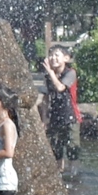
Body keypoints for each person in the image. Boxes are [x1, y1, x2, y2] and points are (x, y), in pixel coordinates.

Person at [41, 44, 77, 174]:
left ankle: (74, 172)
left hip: (71, 116)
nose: (53, 58)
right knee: (56, 146)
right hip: (55, 116)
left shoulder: (70, 73)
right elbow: (45, 99)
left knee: (73, 147)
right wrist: (44, 118)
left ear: (66, 58)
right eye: (51, 55)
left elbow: (61, 88)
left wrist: (50, 72)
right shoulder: (48, 77)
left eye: (57, 55)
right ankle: (59, 171)